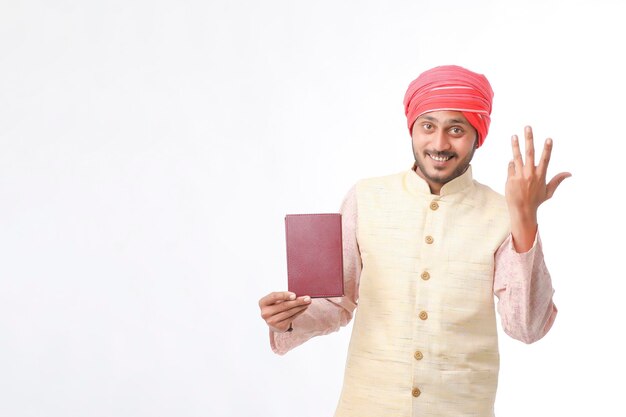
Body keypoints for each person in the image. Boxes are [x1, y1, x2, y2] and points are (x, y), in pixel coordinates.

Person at [258, 64, 570, 417]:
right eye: (428, 126)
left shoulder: (503, 214)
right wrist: (288, 318)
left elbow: (525, 327)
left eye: (456, 129)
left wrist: (525, 219)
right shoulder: (366, 197)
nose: (439, 144)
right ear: (412, 128)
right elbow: (336, 303)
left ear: (477, 136)